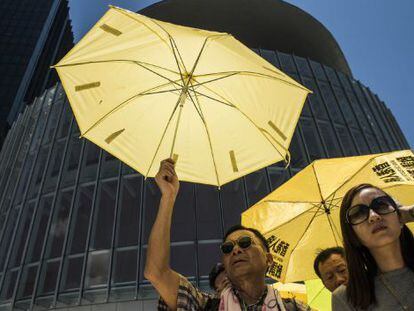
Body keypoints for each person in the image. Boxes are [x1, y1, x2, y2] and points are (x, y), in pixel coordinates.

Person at [144, 158, 310, 310]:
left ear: (268, 259)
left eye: (245, 242)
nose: (236, 250)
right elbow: (156, 273)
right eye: (228, 248)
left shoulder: (294, 308)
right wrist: (168, 196)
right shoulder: (206, 306)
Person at [332, 183, 414, 310]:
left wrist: (410, 212)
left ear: (400, 215)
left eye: (381, 205)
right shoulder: (346, 298)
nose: (374, 216)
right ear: (352, 234)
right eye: (359, 213)